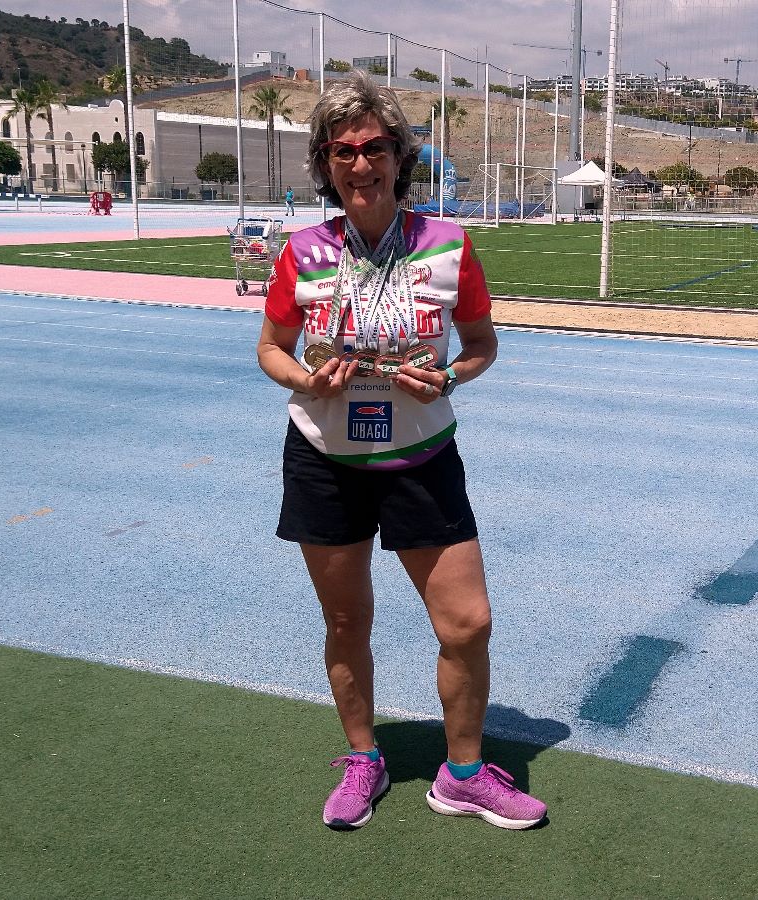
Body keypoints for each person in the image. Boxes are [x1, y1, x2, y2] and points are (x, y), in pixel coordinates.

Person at [256, 72, 547, 832]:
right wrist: (306, 380)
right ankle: (365, 758)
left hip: (421, 457)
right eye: (343, 151)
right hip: (325, 458)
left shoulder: (448, 245)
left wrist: (449, 375)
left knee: (467, 623)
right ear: (326, 164)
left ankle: (463, 775)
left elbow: (481, 344)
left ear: (398, 156)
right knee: (346, 622)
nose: (361, 164)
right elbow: (271, 348)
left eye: (375, 147)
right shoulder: (302, 253)